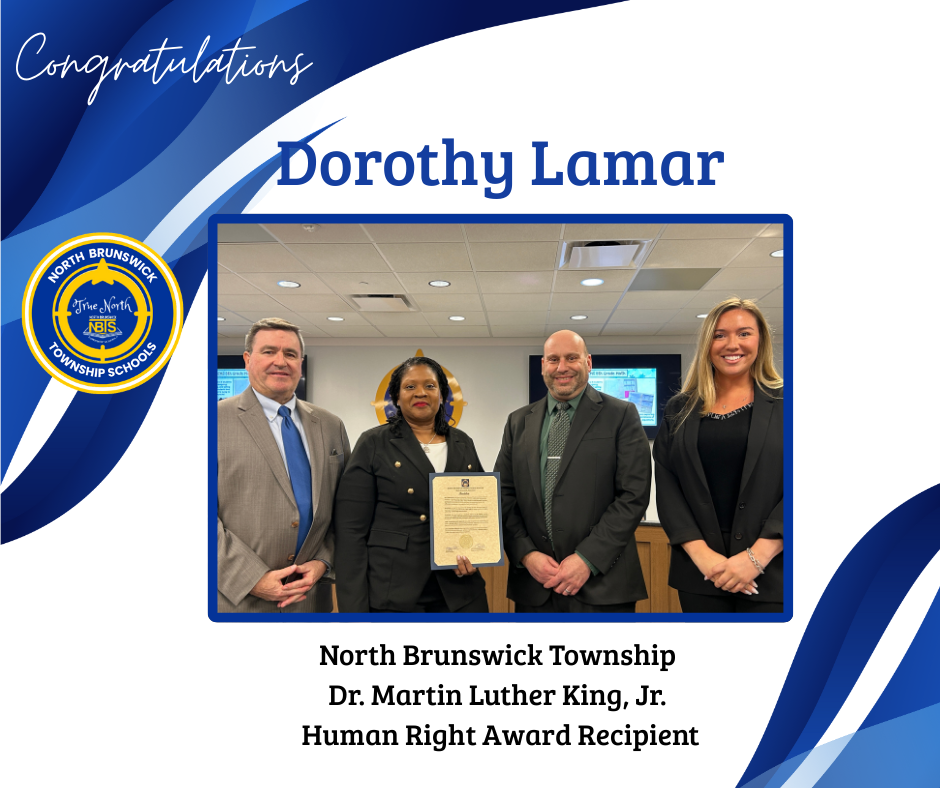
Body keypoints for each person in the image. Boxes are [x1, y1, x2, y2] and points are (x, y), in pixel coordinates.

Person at [494, 330, 651, 613]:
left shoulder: (621, 415)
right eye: (553, 359)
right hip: (534, 585)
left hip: (603, 584)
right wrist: (527, 555)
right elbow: (503, 496)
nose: (562, 367)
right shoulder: (518, 422)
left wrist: (587, 559)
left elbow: (633, 495)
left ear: (588, 362)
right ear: (543, 365)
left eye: (571, 358)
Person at [653, 297, 784, 613]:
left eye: (744, 333)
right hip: (701, 574)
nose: (731, 344)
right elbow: (669, 490)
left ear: (760, 340)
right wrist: (704, 558)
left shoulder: (790, 403)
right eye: (719, 334)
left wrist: (758, 556)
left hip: (773, 571)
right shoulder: (679, 410)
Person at [334, 356, 488, 613]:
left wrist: (479, 553)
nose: (420, 393)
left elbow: (478, 512)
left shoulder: (463, 442)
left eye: (430, 386)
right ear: (395, 397)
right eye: (409, 387)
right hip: (394, 592)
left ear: (442, 395)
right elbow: (351, 532)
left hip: (460, 592)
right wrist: (354, 612)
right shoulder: (373, 443)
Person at [217, 318, 350, 613]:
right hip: (236, 602)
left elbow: (346, 509)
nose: (281, 362)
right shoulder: (212, 421)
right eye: (268, 352)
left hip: (310, 600)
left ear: (300, 363)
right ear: (248, 360)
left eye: (290, 354)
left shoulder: (330, 426)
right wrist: (252, 579)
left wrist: (322, 562)